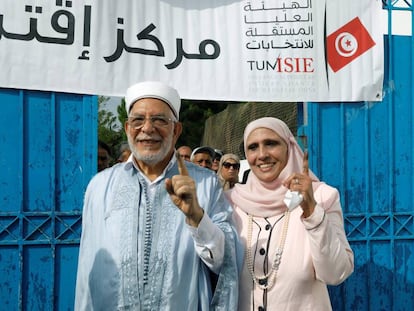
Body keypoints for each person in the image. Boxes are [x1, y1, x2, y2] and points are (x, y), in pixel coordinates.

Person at [75, 81, 241, 310]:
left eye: (160, 120)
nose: (147, 129)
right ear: (126, 128)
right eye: (138, 120)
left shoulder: (205, 184)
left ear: (176, 130)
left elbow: (225, 263)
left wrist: (197, 218)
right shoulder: (100, 186)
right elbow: (86, 270)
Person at [225, 117, 354, 310]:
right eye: (253, 147)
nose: (262, 155)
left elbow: (336, 273)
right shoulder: (231, 202)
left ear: (290, 147)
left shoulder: (322, 196)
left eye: (271, 143)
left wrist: (312, 211)